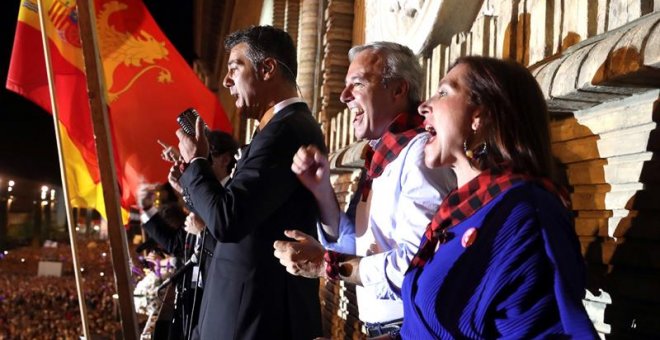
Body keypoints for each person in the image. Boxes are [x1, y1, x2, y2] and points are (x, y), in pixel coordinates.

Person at [392, 56, 597, 338]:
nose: (423, 105)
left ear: (480, 115)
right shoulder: (457, 212)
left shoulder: (523, 214)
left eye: (443, 92)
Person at [273, 42, 455, 336]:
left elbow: (416, 264)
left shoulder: (420, 153)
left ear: (398, 90)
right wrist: (321, 191)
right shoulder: (384, 154)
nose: (344, 97)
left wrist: (325, 264)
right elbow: (355, 250)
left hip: (409, 328)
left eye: (357, 84)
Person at [174, 25, 325, 340]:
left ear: (267, 68)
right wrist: (192, 178)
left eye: (234, 68)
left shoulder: (286, 132)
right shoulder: (272, 130)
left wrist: (197, 162)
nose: (227, 80)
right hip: (237, 315)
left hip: (252, 320)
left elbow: (228, 219)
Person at [137, 130, 238, 339]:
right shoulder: (203, 198)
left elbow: (234, 246)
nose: (195, 165)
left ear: (225, 159)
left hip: (213, 305)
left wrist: (203, 230)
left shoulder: (230, 197)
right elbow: (178, 244)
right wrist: (147, 208)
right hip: (189, 306)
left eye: (203, 157)